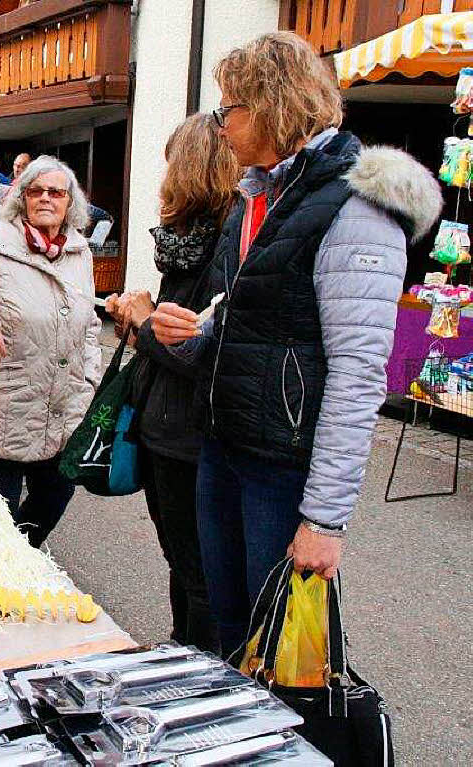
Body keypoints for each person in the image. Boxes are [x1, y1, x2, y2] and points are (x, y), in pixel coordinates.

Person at [149, 32, 442, 654]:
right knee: (230, 632)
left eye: (231, 107)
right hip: (226, 445)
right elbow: (247, 332)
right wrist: (187, 336)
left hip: (283, 469)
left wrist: (324, 520)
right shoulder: (259, 195)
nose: (221, 124)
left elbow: (359, 373)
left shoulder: (356, 207)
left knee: (282, 652)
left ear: (273, 105)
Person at [106, 114, 240, 652]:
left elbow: (201, 352)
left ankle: (201, 669)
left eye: (170, 165)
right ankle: (183, 647)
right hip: (167, 423)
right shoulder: (192, 239)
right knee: (183, 562)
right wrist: (143, 316)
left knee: (199, 570)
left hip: (190, 432)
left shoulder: (226, 244)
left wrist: (144, 321)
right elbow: (179, 326)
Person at [0, 157, 102, 548]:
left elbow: (90, 324)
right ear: (22, 198)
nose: (46, 199)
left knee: (54, 498)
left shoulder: (81, 252)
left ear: (70, 203)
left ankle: (17, 560)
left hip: (64, 410)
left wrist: (90, 378)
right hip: (5, 412)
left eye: (56, 192)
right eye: (36, 191)